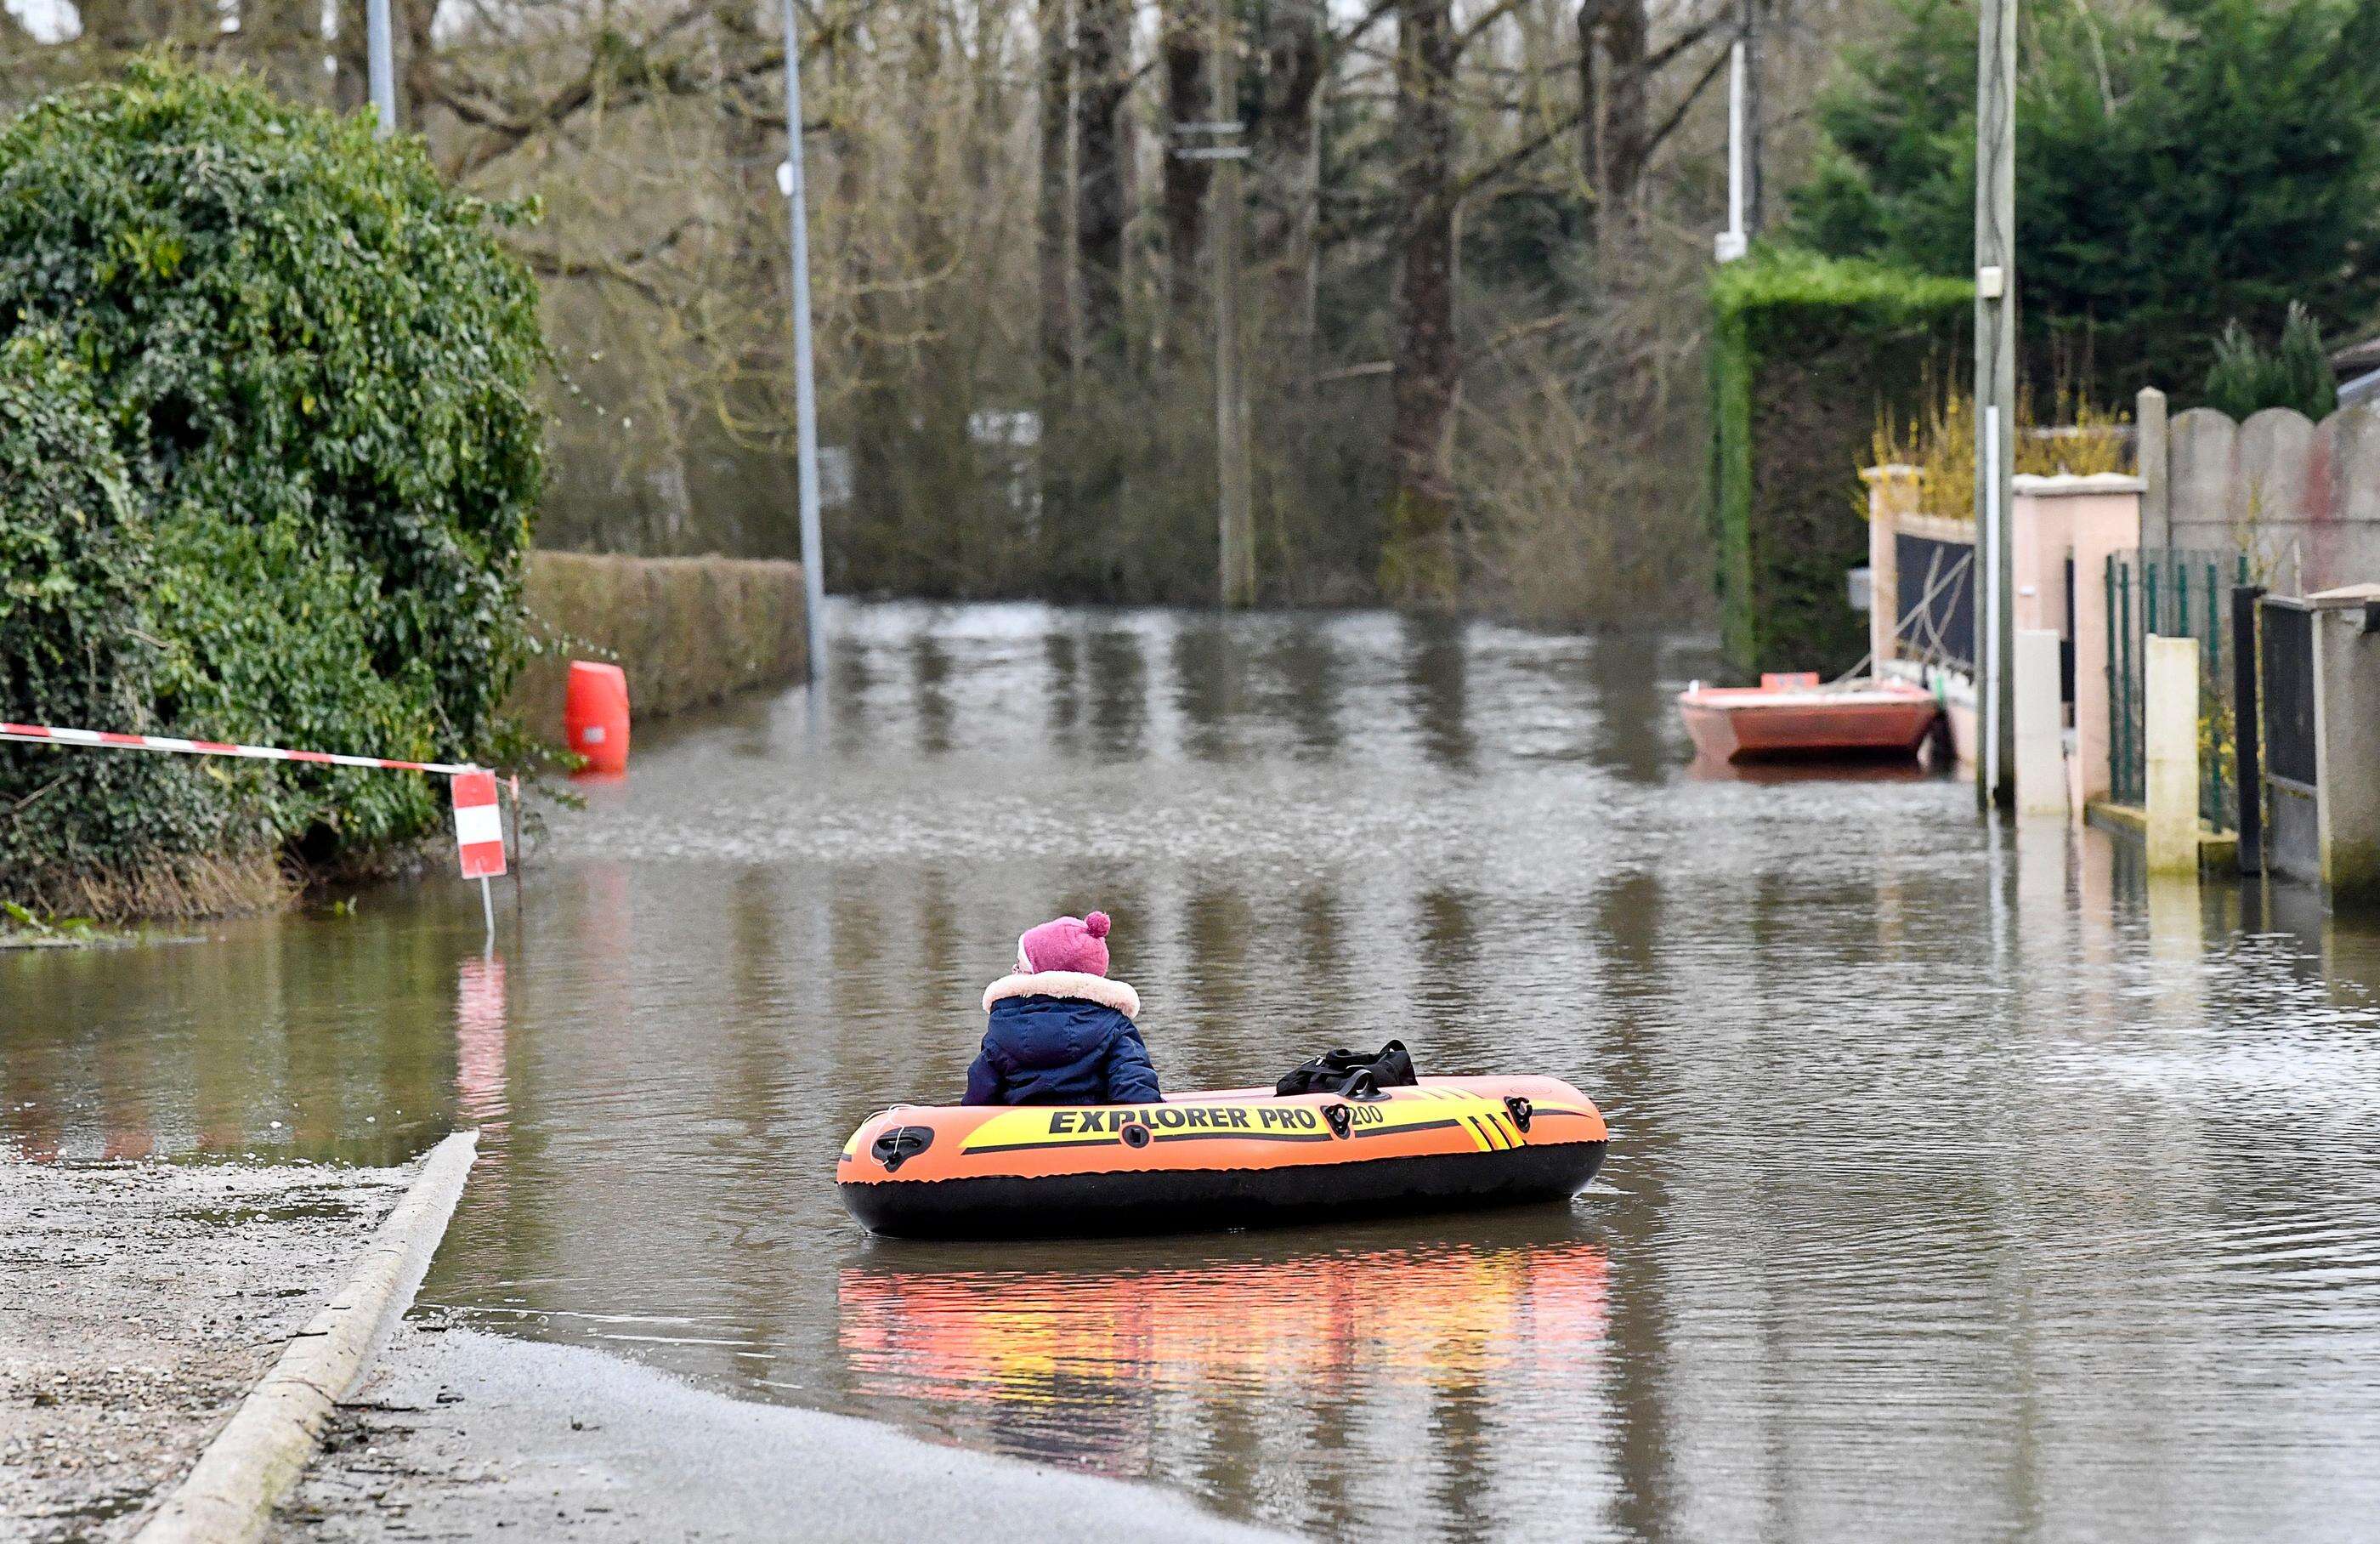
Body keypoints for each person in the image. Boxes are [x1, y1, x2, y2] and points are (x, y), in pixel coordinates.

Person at [963, 911, 1163, 1106]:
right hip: (1095, 1131)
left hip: (1021, 1131)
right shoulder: (1114, 1026)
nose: (1013, 971)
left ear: (1034, 976)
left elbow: (979, 1096)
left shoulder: (1003, 1027)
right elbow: (1136, 1087)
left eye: (1019, 966)